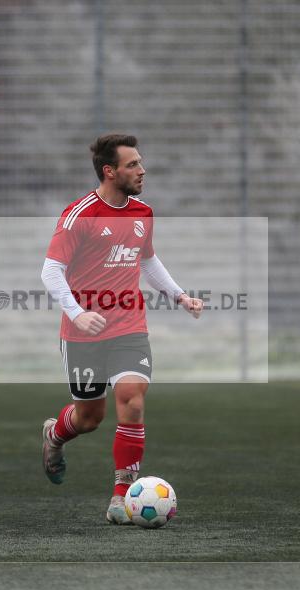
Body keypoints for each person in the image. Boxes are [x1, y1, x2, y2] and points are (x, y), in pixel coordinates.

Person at [40, 133, 203, 525]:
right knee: (89, 419)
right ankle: (54, 436)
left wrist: (180, 296)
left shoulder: (142, 214)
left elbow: (147, 261)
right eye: (133, 165)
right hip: (83, 335)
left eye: (141, 162)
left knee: (131, 397)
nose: (142, 170)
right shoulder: (80, 215)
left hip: (129, 327)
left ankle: (120, 495)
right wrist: (77, 313)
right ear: (110, 172)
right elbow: (50, 271)